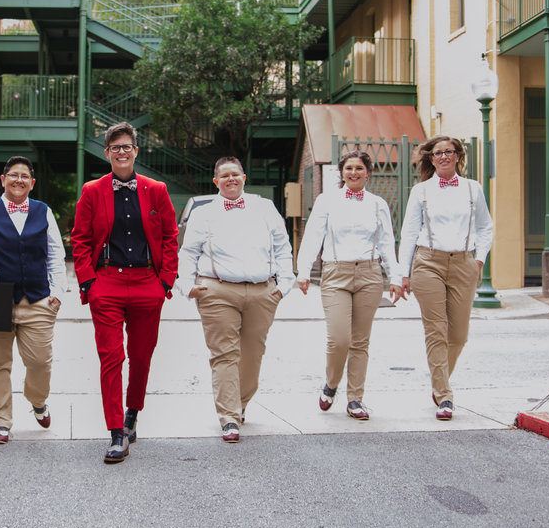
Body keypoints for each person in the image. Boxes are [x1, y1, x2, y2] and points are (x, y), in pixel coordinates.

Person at [71, 121, 178, 464]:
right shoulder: (92, 191)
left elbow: (169, 237)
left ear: (135, 151)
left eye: (126, 146)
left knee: (142, 356)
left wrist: (166, 282)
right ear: (107, 153)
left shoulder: (156, 190)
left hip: (148, 283)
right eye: (114, 147)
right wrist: (89, 283)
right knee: (111, 358)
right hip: (108, 284)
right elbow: (81, 238)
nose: (121, 152)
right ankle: (116, 432)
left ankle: (133, 414)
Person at [177, 157, 293, 442]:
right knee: (225, 355)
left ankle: (240, 403)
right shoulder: (204, 213)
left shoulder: (264, 208)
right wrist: (186, 285)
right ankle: (228, 416)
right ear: (216, 181)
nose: (231, 179)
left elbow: (282, 246)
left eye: (235, 175)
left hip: (262, 291)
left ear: (244, 177)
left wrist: (285, 284)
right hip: (217, 291)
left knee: (253, 354)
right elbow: (188, 251)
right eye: (224, 176)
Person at [0, 156, 68, 445]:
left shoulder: (43, 212)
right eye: (13, 175)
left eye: (24, 176)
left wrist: (57, 293)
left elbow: (56, 255)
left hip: (38, 299)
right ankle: (0, 421)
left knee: (40, 362)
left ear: (32, 183)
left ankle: (37, 399)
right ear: (3, 179)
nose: (18, 180)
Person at [296, 150, 403, 421]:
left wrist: (395, 276)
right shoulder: (327, 201)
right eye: (348, 168)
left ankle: (355, 399)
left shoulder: (378, 204)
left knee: (360, 341)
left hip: (369, 274)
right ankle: (331, 384)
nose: (353, 173)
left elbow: (387, 243)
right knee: (339, 339)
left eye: (359, 168)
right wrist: (304, 270)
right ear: (341, 173)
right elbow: (313, 236)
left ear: (367, 172)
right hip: (336, 274)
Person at [398, 136, 493, 421]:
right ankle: (444, 395)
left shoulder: (473, 189)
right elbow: (409, 233)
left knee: (459, 335)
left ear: (458, 156)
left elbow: (485, 228)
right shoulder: (421, 190)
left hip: (464, 262)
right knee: (436, 330)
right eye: (437, 153)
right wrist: (404, 272)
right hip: (428, 263)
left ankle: (440, 381)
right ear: (431, 158)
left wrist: (479, 260)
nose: (443, 157)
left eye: (448, 152)